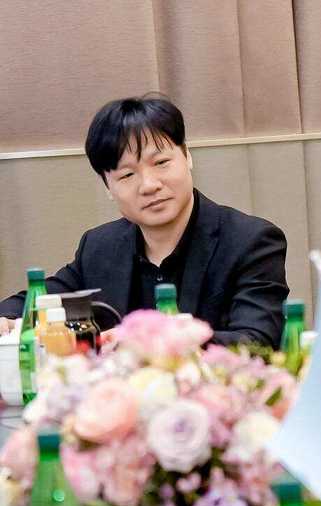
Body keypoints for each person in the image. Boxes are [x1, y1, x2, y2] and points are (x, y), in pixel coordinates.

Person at [0, 95, 288, 346]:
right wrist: (6, 317)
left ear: (187, 156)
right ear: (108, 187)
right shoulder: (99, 247)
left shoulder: (250, 241)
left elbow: (257, 341)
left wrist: (146, 342)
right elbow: (39, 300)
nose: (149, 185)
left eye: (161, 163)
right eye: (127, 175)